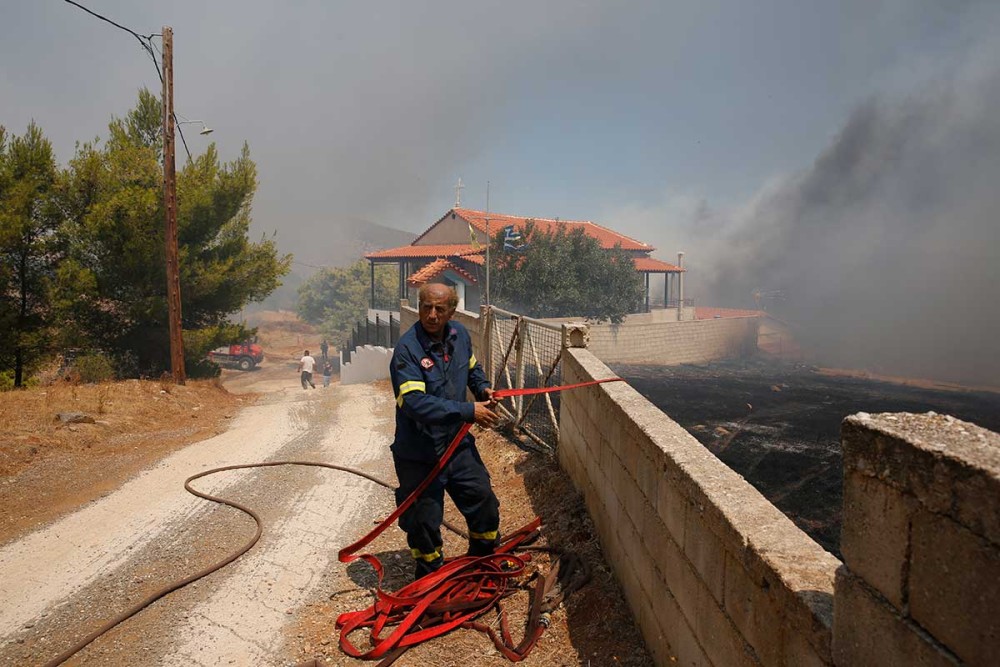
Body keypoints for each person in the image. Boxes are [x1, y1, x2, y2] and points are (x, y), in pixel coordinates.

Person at [390, 283, 500, 578]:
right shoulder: (408, 351)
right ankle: (430, 577)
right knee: (423, 521)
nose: (433, 315)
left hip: (457, 444)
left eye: (440, 308)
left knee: (483, 500)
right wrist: (468, 411)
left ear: (452, 310)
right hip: (419, 452)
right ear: (419, 307)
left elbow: (471, 367)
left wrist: (482, 387)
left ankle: (482, 561)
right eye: (426, 307)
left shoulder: (460, 336)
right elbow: (414, 403)